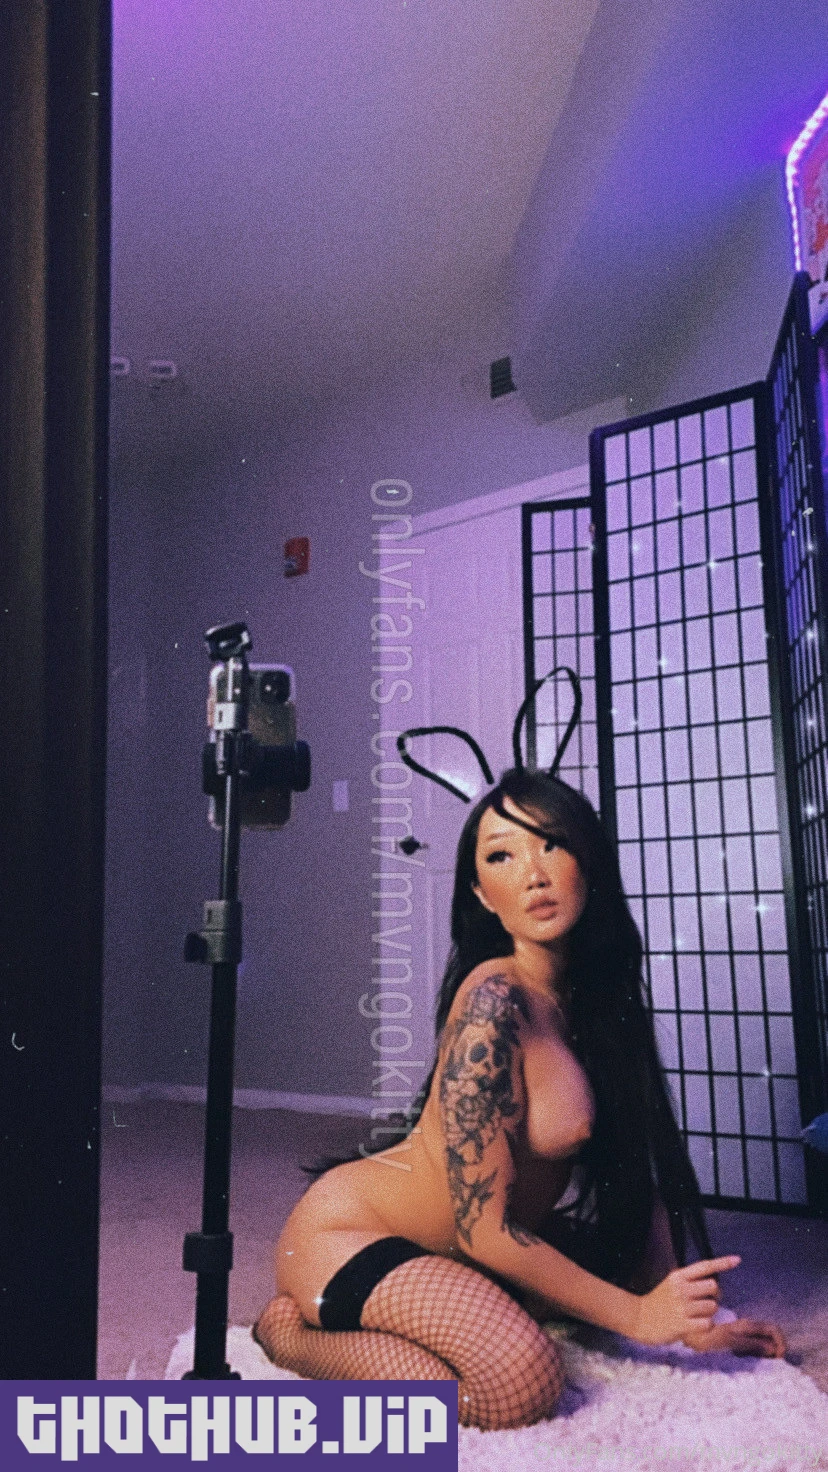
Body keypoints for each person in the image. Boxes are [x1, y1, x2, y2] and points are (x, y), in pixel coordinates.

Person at [253, 767, 786, 1430]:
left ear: (588, 861)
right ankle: (290, 1335)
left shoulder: (593, 1002)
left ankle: (456, 1307)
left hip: (464, 1251)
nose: (533, 873)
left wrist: (689, 1327)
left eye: (551, 844)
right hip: (354, 1236)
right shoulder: (492, 1005)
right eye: (502, 855)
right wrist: (639, 1317)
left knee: (615, 1262)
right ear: (483, 895)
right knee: (518, 1384)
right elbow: (483, 1232)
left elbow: (633, 1175)